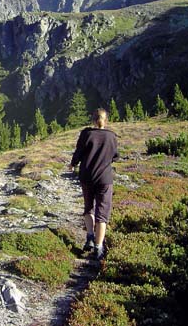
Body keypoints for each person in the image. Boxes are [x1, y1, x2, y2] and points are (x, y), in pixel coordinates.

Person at [69, 108, 118, 260]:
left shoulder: (86, 134)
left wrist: (73, 164)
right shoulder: (111, 136)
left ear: (92, 119)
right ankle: (99, 247)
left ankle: (90, 236)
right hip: (104, 178)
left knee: (88, 207)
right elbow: (115, 156)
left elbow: (78, 152)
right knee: (102, 213)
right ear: (106, 120)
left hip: (87, 176)